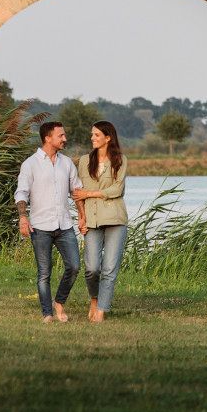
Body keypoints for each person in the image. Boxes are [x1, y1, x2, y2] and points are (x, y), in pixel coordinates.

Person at [14, 121, 83, 324]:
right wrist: (23, 217)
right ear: (47, 138)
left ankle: (59, 301)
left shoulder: (67, 163)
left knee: (74, 266)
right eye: (61, 135)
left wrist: (83, 217)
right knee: (44, 273)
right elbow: (21, 193)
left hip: (64, 225)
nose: (65, 139)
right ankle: (47, 313)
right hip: (40, 227)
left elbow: (76, 192)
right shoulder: (30, 164)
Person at [77, 119, 131, 322]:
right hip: (91, 219)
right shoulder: (84, 161)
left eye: (96, 135)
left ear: (108, 138)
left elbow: (118, 189)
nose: (92, 138)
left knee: (109, 268)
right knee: (91, 268)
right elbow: (76, 192)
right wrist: (81, 217)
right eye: (92, 135)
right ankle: (94, 298)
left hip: (116, 218)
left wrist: (89, 193)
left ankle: (101, 309)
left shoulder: (120, 160)